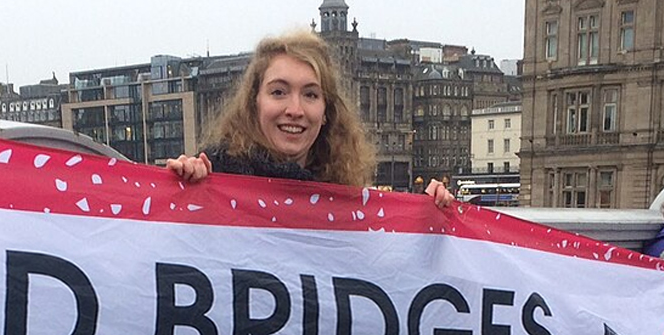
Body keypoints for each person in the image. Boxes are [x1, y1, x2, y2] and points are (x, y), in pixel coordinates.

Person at [166, 30, 454, 207]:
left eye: (311, 94)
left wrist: (427, 216)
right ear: (255, 102)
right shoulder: (215, 174)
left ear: (326, 111)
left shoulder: (346, 195)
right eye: (279, 92)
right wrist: (182, 187)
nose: (295, 109)